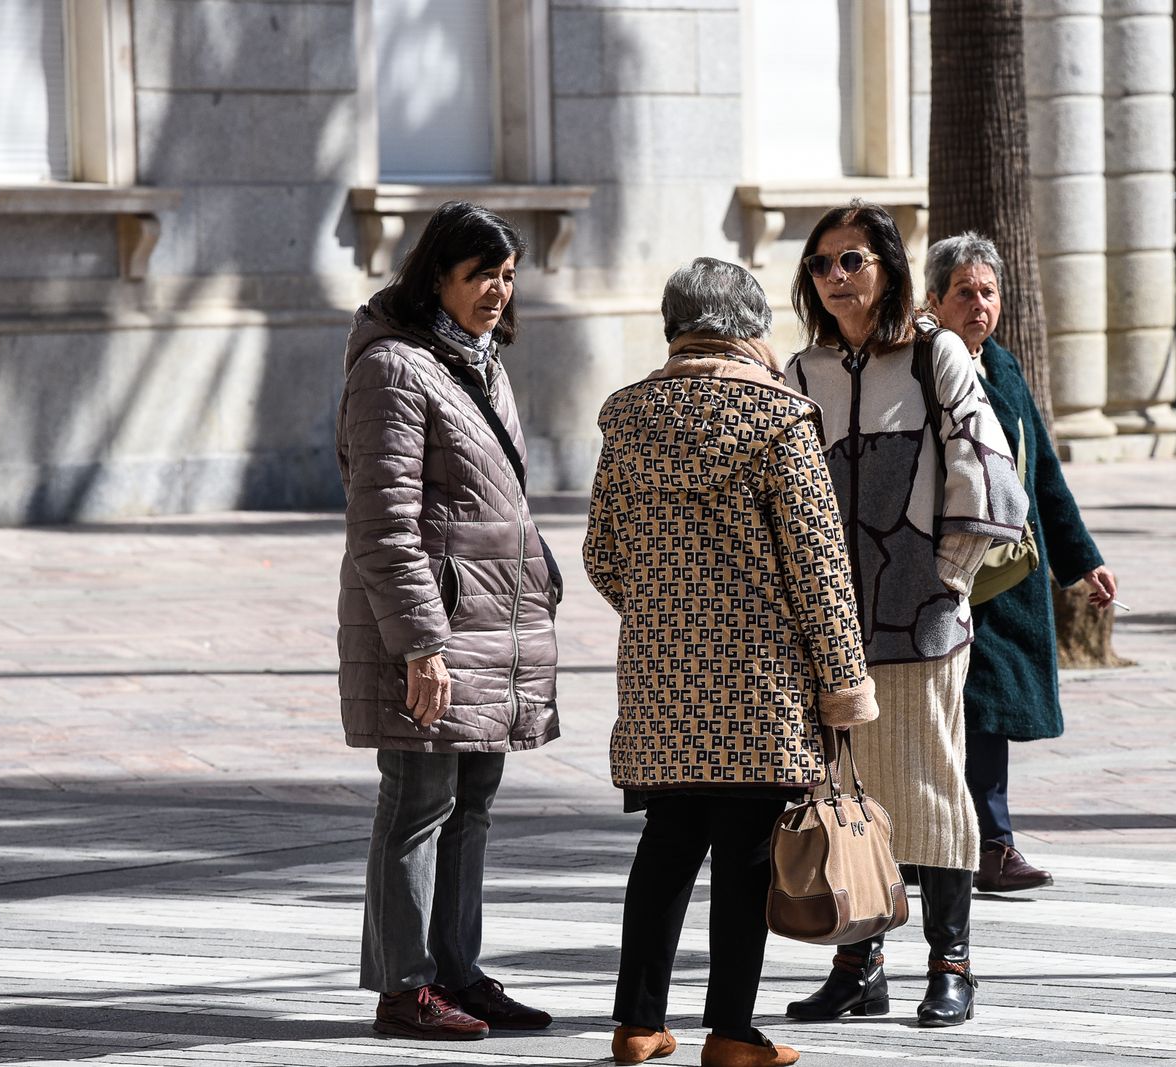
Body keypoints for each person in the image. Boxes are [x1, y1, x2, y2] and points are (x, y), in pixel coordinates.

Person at [584, 257, 878, 1067]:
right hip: (760, 681)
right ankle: (731, 1031)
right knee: (748, 850)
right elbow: (819, 566)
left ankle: (637, 1022)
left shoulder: (629, 415)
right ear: (750, 327)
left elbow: (603, 554)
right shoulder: (780, 419)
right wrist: (843, 684)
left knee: (668, 841)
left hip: (658, 677)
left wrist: (663, 615)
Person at [784, 203, 1028, 1029]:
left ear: (886, 264)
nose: (835, 278)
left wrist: (949, 578)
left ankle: (951, 963)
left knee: (929, 791)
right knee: (846, 793)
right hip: (830, 624)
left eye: (850, 260)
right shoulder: (803, 369)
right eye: (820, 266)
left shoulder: (935, 352)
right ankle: (859, 965)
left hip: (920, 616)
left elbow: (984, 465)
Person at [336, 200, 560, 1040]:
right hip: (430, 627)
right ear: (437, 275)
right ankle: (405, 988)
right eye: (480, 275)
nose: (498, 291)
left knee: (472, 802)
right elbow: (384, 522)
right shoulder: (393, 368)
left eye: (507, 275)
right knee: (419, 798)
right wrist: (420, 643)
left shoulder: (481, 361)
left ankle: (458, 972)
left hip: (491, 626)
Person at [922, 232, 1116, 893]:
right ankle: (958, 842)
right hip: (944, 570)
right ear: (933, 299)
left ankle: (990, 842)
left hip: (1007, 577)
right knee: (955, 709)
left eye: (988, 291)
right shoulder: (921, 366)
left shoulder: (1002, 365)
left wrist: (1082, 560)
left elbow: (1045, 476)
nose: (979, 304)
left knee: (988, 709)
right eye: (964, 292)